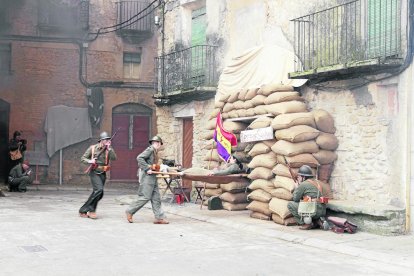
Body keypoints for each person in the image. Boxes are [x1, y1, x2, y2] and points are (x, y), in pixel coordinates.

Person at [125, 135, 169, 224]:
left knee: (156, 198)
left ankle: (159, 218)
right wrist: (147, 168)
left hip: (153, 177)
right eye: (157, 143)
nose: (158, 145)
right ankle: (130, 211)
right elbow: (139, 158)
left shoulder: (155, 151)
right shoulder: (150, 150)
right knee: (145, 197)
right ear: (157, 143)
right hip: (147, 178)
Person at [79, 131, 117, 219]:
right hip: (94, 172)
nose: (107, 141)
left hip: (103, 173)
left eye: (108, 139)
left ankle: (90, 210)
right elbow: (83, 158)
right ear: (101, 140)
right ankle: (85, 210)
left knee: (99, 193)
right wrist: (90, 161)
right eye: (105, 140)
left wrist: (109, 149)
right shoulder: (93, 148)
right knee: (99, 190)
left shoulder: (109, 149)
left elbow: (114, 158)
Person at [286, 165, 327, 230]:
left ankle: (306, 223)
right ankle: (317, 221)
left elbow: (295, 199)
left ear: (303, 177)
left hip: (313, 210)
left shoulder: (303, 184)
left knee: (290, 204)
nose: (298, 178)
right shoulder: (317, 182)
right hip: (322, 210)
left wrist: (297, 188)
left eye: (299, 176)